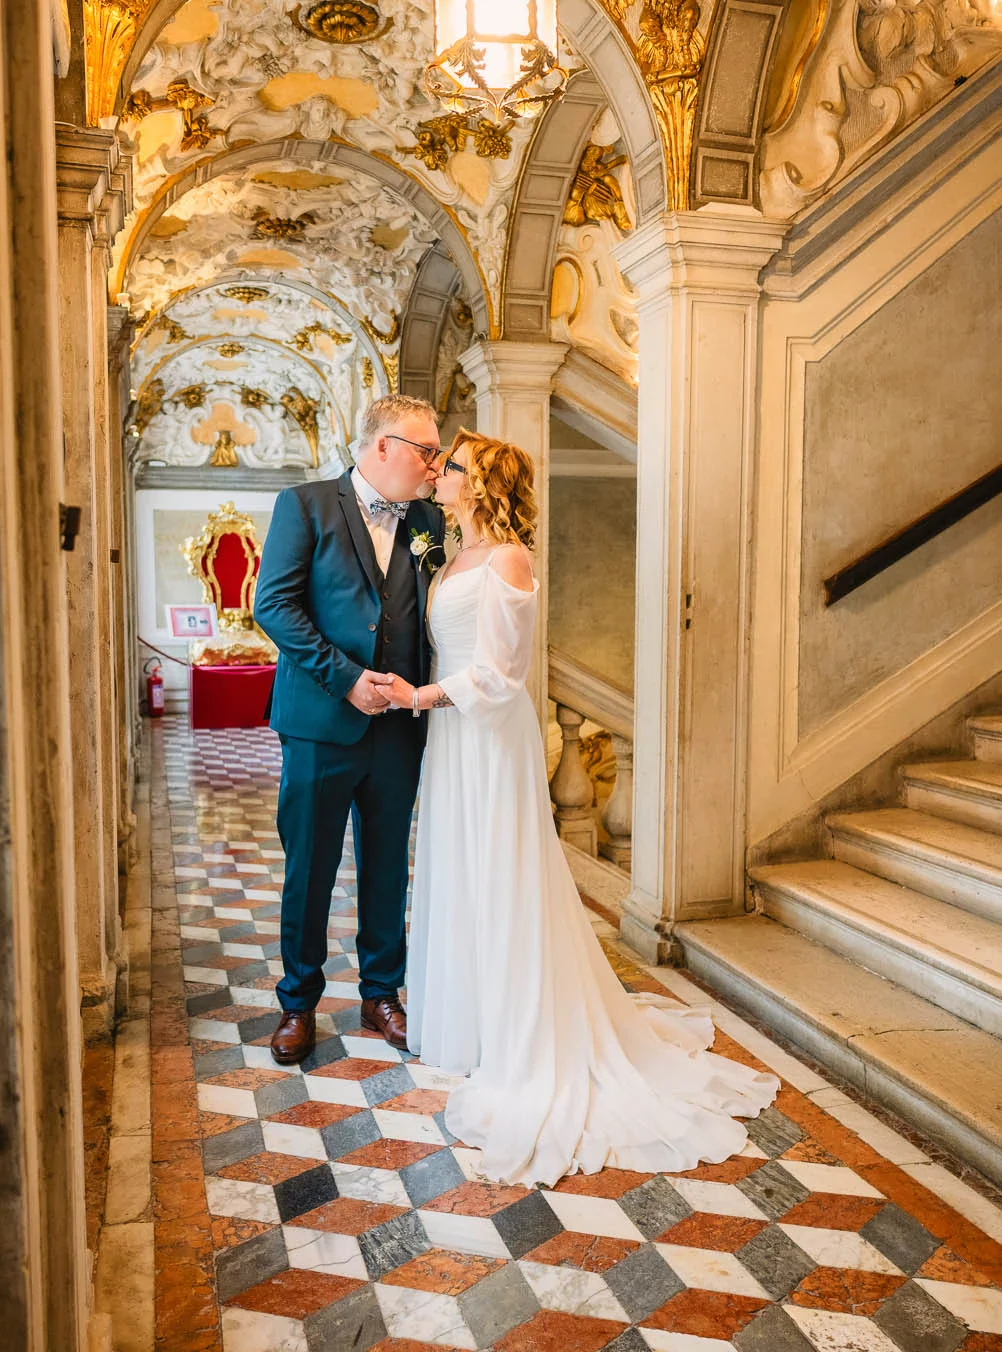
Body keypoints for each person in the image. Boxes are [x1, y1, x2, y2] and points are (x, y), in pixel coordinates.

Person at [380, 430, 780, 1185]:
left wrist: (419, 697)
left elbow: (501, 677)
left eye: (452, 465)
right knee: (459, 871)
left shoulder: (508, 559)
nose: (438, 472)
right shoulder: (455, 552)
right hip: (453, 739)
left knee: (501, 874)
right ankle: (467, 1024)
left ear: (482, 481)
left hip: (488, 739)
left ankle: (519, 1033)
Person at [252, 394, 448, 1065]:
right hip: (320, 723)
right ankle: (298, 1003)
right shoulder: (305, 506)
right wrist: (346, 679)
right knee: (309, 867)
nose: (435, 465)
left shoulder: (430, 520)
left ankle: (381, 994)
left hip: (399, 728)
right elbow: (274, 606)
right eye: (426, 450)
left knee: (388, 865)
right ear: (383, 445)